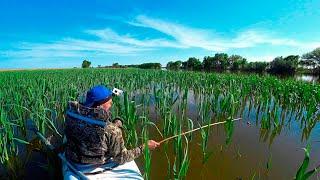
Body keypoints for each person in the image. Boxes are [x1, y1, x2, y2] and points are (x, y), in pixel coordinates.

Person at [64, 85, 160, 165]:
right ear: (99, 107)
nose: (112, 104)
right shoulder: (113, 131)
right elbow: (121, 158)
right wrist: (144, 147)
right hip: (93, 163)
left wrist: (115, 124)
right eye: (109, 103)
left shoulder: (71, 114)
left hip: (72, 156)